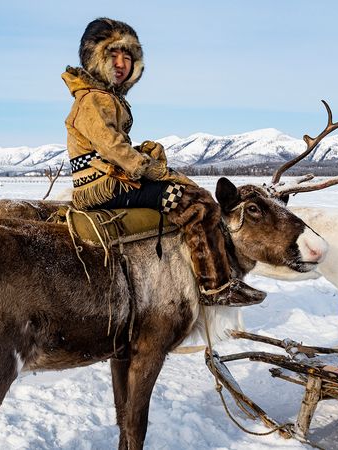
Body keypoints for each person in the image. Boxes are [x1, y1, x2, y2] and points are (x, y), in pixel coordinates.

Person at [62, 17, 265, 307]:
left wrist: (145, 152)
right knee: (197, 205)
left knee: (185, 188)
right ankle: (215, 286)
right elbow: (111, 147)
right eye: (112, 55)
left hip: (111, 181)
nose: (121, 63)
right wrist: (147, 167)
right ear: (94, 59)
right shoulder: (94, 99)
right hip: (106, 187)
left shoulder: (103, 97)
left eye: (127, 56)